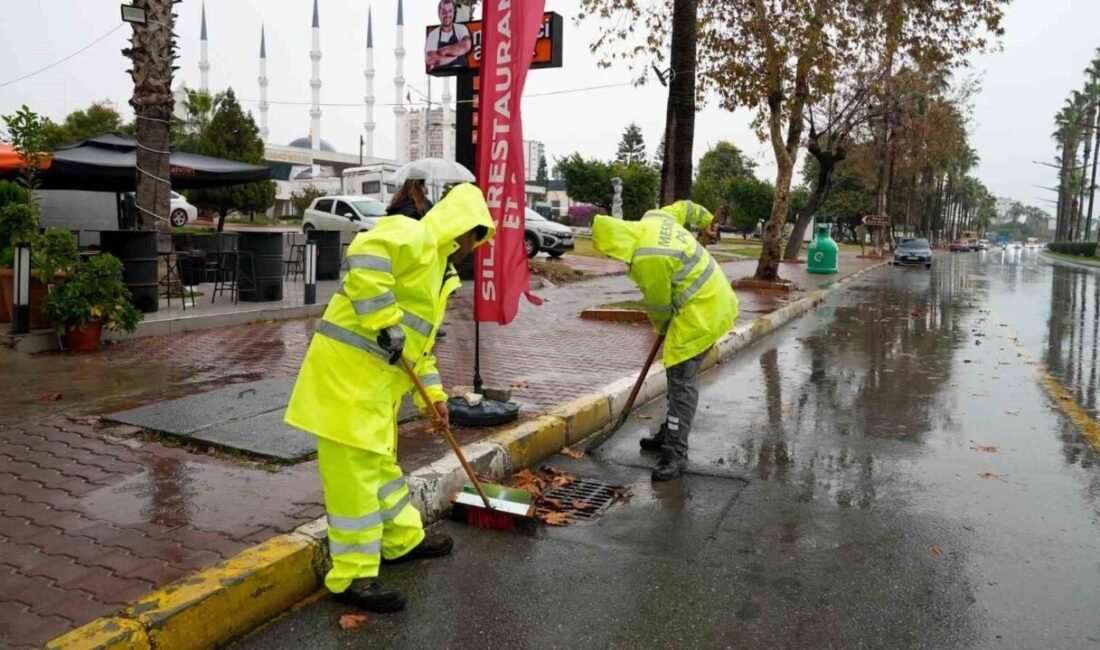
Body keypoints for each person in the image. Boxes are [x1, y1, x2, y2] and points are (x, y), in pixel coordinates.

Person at [284, 183, 494, 612]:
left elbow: (421, 351)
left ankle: (402, 540)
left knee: (382, 471)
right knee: (355, 483)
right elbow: (365, 253)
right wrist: (386, 321)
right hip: (344, 383)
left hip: (374, 390)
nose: (472, 249)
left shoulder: (440, 273)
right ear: (461, 228)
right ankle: (352, 577)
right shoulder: (412, 236)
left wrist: (433, 399)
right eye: (474, 238)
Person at [591, 205, 739, 481]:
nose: (616, 258)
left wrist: (663, 332)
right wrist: (706, 221)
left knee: (681, 379)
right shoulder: (654, 217)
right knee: (676, 374)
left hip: (702, 312)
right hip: (714, 299)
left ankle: (675, 452)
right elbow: (687, 207)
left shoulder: (648, 258)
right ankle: (670, 432)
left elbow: (659, 307)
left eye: (612, 254)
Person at [425, 0, 472, 72]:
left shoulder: (461, 28)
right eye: (444, 11)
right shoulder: (433, 34)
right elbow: (430, 59)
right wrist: (454, 56)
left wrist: (443, 51)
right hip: (440, 76)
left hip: (462, 73)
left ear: (454, 12)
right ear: (439, 13)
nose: (447, 14)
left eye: (450, 11)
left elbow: (465, 46)